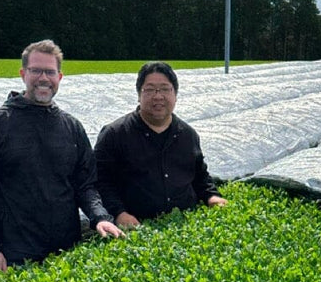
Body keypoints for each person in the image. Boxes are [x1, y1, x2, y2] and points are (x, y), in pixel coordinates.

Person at [0, 39, 122, 272]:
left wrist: (100, 217)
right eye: (36, 70)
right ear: (23, 74)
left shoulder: (71, 127)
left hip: (67, 251)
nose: (43, 78)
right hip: (16, 255)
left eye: (50, 72)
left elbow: (86, 185)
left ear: (59, 77)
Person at [95, 61, 226, 229]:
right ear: (139, 95)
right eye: (150, 89)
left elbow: (200, 176)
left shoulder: (188, 134)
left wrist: (211, 196)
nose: (158, 96)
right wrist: (119, 213)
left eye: (165, 89)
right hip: (137, 227)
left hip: (185, 225)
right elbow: (100, 182)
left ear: (175, 95)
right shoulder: (115, 134)